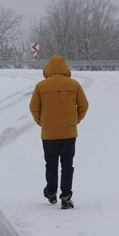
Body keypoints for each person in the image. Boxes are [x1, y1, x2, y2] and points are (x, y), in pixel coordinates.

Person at [29, 55, 89, 209]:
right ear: (65, 69)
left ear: (48, 69)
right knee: (67, 165)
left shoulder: (41, 86)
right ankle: (66, 196)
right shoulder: (74, 85)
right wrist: (75, 120)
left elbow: (33, 107)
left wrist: (42, 122)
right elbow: (84, 105)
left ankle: (51, 192)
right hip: (69, 133)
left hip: (49, 134)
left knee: (51, 163)